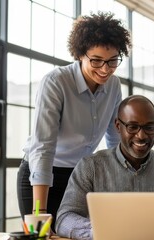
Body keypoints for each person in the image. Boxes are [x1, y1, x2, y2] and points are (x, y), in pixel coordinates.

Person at [16, 11, 132, 229]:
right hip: (41, 175)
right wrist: (40, 211)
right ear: (80, 54)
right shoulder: (56, 82)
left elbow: (115, 141)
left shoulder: (114, 86)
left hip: (79, 175)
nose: (105, 69)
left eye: (113, 61)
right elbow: (43, 147)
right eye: (96, 61)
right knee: (42, 235)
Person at [55, 95, 154, 239]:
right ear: (118, 126)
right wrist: (103, 232)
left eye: (149, 127)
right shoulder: (90, 166)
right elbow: (64, 219)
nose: (141, 135)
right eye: (132, 127)